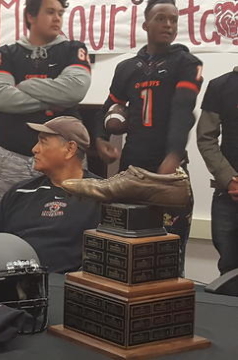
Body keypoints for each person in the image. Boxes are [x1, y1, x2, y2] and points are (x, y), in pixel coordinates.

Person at [96, 0, 203, 274]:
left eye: (173, 20)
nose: (168, 25)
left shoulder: (186, 63)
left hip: (169, 170)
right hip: (132, 168)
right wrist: (100, 138)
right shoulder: (127, 68)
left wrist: (173, 154)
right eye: (161, 19)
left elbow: (182, 111)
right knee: (127, 248)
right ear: (145, 25)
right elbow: (109, 105)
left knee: (169, 251)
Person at [0, 0, 91, 216]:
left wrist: (25, 86)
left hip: (64, 157)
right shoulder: (7, 53)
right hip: (11, 156)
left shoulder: (73, 50)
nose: (57, 18)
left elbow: (75, 91)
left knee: (66, 219)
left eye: (60, 13)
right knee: (3, 219)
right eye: (50, 12)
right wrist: (55, 98)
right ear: (31, 16)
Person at [0, 116, 100, 273]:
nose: (34, 149)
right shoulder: (20, 192)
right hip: (9, 282)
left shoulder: (99, 196)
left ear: (69, 149)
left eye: (43, 142)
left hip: (68, 288)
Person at [197, 66, 238, 275]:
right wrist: (229, 179)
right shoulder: (221, 86)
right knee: (229, 271)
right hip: (229, 196)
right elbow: (206, 137)